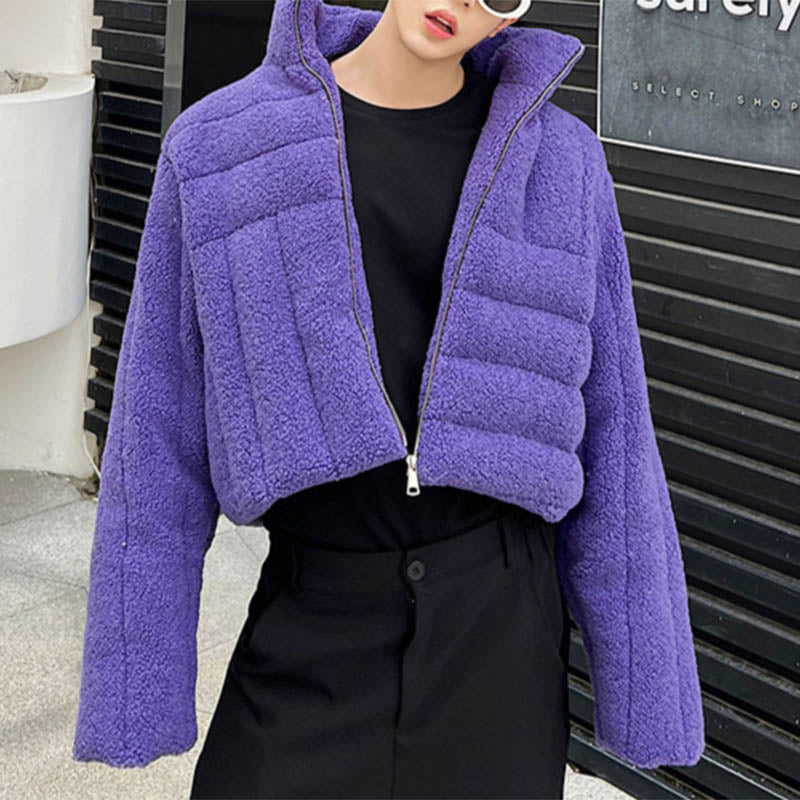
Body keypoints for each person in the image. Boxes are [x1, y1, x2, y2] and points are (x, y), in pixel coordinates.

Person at [72, 0, 706, 795]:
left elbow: (615, 433)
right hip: (312, 623)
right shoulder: (219, 146)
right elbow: (157, 435)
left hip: (497, 639)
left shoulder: (563, 162)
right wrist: (133, 687)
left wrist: (647, 689)